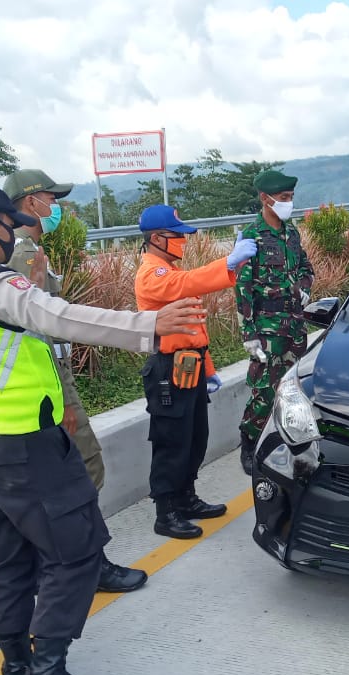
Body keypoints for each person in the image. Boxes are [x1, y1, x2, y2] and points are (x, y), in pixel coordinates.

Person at [0, 180, 204, 675]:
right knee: (75, 553)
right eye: (11, 225)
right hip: (28, 446)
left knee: (8, 563)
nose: (15, 235)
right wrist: (151, 325)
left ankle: (15, 673)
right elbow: (59, 315)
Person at [3, 169, 147, 594]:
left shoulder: (26, 249)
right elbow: (39, 323)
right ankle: (90, 564)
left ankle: (79, 561)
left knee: (76, 470)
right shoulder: (22, 254)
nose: (57, 208)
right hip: (47, 376)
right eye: (52, 199)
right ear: (31, 204)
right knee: (85, 466)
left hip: (48, 374)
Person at [134, 205, 258, 538]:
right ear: (158, 238)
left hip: (189, 366)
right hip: (168, 370)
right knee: (171, 442)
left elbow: (195, 333)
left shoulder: (168, 270)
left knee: (194, 439)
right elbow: (188, 283)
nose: (184, 242)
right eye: (178, 236)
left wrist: (209, 369)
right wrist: (228, 263)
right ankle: (166, 511)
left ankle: (186, 498)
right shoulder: (152, 273)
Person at [236, 170, 315, 475]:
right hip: (267, 328)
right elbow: (242, 288)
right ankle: (249, 439)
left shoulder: (291, 233)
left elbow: (306, 265)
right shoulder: (251, 236)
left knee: (292, 386)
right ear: (265, 199)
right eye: (284, 198)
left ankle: (287, 439)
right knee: (264, 390)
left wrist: (305, 288)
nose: (289, 203)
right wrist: (248, 334)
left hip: (294, 324)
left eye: (291, 197)